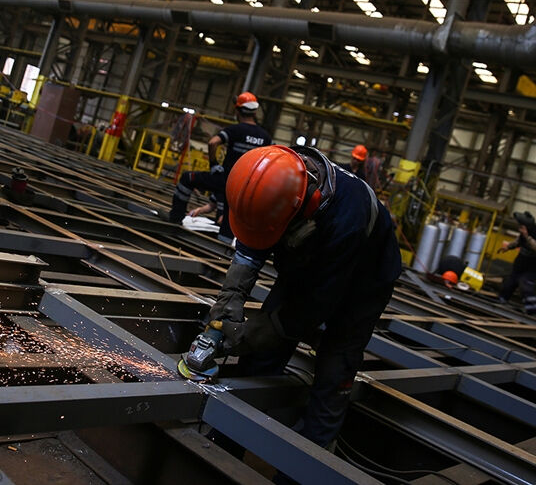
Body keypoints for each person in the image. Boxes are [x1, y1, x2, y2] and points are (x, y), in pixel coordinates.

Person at [205, 145, 401, 467]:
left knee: (334, 366)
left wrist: (251, 335)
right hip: (309, 259)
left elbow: (314, 306)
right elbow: (250, 248)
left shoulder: (347, 218)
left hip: (365, 280)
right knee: (260, 359)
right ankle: (224, 446)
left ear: (300, 210)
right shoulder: (277, 173)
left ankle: (307, 462)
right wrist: (228, 303)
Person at [169, 92, 271, 243]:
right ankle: (223, 246)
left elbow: (213, 142)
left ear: (237, 111)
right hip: (245, 188)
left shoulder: (235, 130)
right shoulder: (265, 137)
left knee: (187, 179)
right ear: (255, 112)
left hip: (226, 179)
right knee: (230, 213)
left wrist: (214, 165)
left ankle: (175, 220)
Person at [498, 211, 536, 315]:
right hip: (519, 265)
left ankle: (534, 311)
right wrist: (508, 247)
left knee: (525, 286)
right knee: (509, 284)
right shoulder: (522, 236)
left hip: (531, 269)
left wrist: (527, 237)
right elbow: (517, 242)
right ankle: (501, 302)